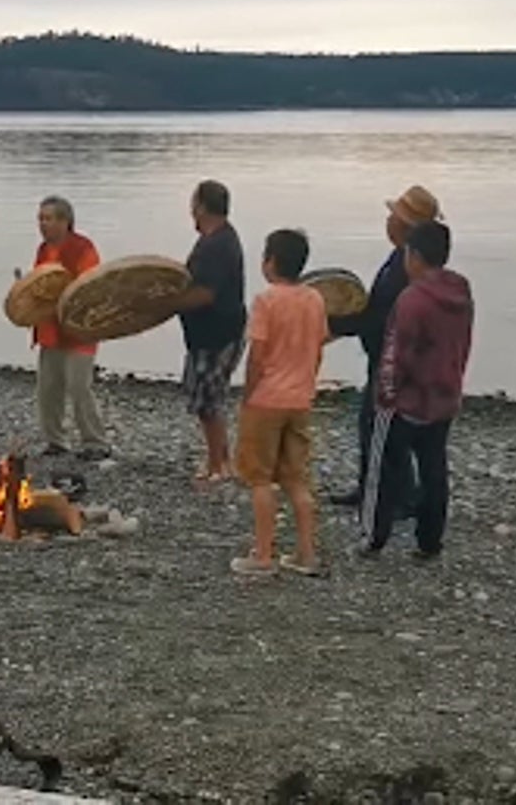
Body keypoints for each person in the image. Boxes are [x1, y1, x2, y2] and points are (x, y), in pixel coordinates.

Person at [360, 221, 473, 558]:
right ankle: (430, 540)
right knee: (433, 469)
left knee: (383, 470)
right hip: (444, 394)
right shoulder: (461, 290)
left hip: (407, 401)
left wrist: (384, 395)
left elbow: (396, 354)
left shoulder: (412, 300)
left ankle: (373, 536)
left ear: (415, 256)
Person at [327, 184, 440, 508]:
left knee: (381, 425)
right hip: (385, 354)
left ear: (406, 225)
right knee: (376, 425)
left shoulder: (410, 269)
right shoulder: (401, 257)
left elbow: (382, 315)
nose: (388, 221)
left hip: (396, 359)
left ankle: (390, 495)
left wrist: (336, 326)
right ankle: (375, 489)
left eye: (393, 217)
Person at [230, 230, 328, 576]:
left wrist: (248, 394)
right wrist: (308, 383)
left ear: (271, 261)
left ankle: (264, 553)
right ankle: (305, 552)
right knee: (296, 478)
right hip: (300, 397)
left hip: (267, 397)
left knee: (259, 478)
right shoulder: (315, 299)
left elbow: (257, 354)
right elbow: (318, 348)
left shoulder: (266, 301)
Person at [157, 180, 247, 481]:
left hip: (217, 335)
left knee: (209, 402)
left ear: (201, 207)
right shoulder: (219, 238)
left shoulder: (216, 245)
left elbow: (206, 293)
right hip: (214, 334)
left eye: (193, 205)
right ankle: (220, 459)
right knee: (206, 399)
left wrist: (168, 303)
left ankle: (218, 465)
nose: (191, 212)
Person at [29, 195, 110, 461]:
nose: (43, 224)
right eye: (41, 218)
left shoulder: (83, 248)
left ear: (65, 221)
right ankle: (55, 441)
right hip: (50, 330)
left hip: (79, 330)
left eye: (48, 218)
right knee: (48, 389)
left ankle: (95, 442)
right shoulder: (43, 249)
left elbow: (90, 287)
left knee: (79, 387)